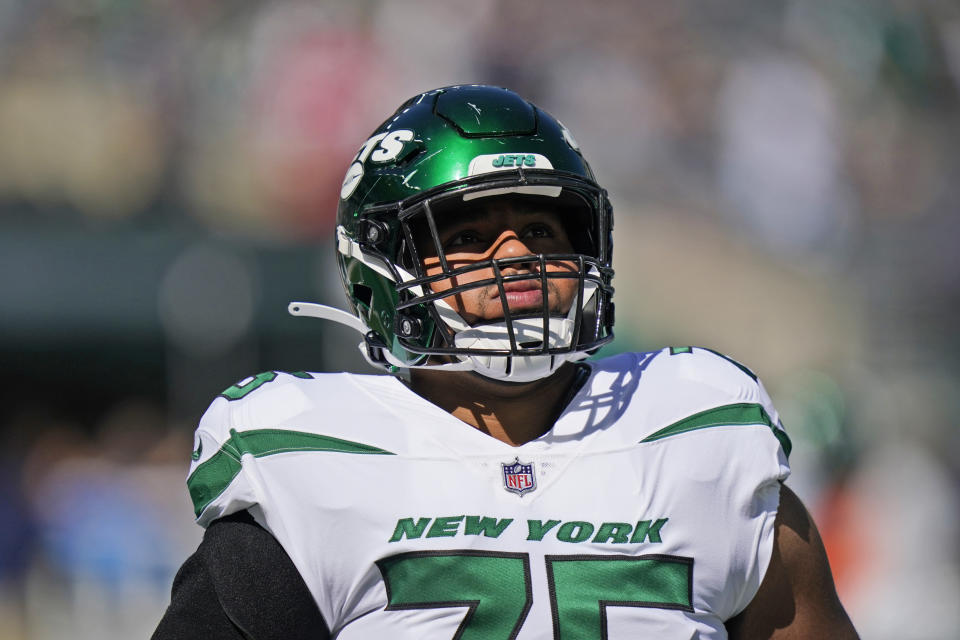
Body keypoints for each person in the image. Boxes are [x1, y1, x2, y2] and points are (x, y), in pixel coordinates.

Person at [153, 85, 858, 639]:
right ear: (384, 266)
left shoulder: (699, 430)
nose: (517, 258)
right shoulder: (307, 461)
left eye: (542, 228)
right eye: (467, 235)